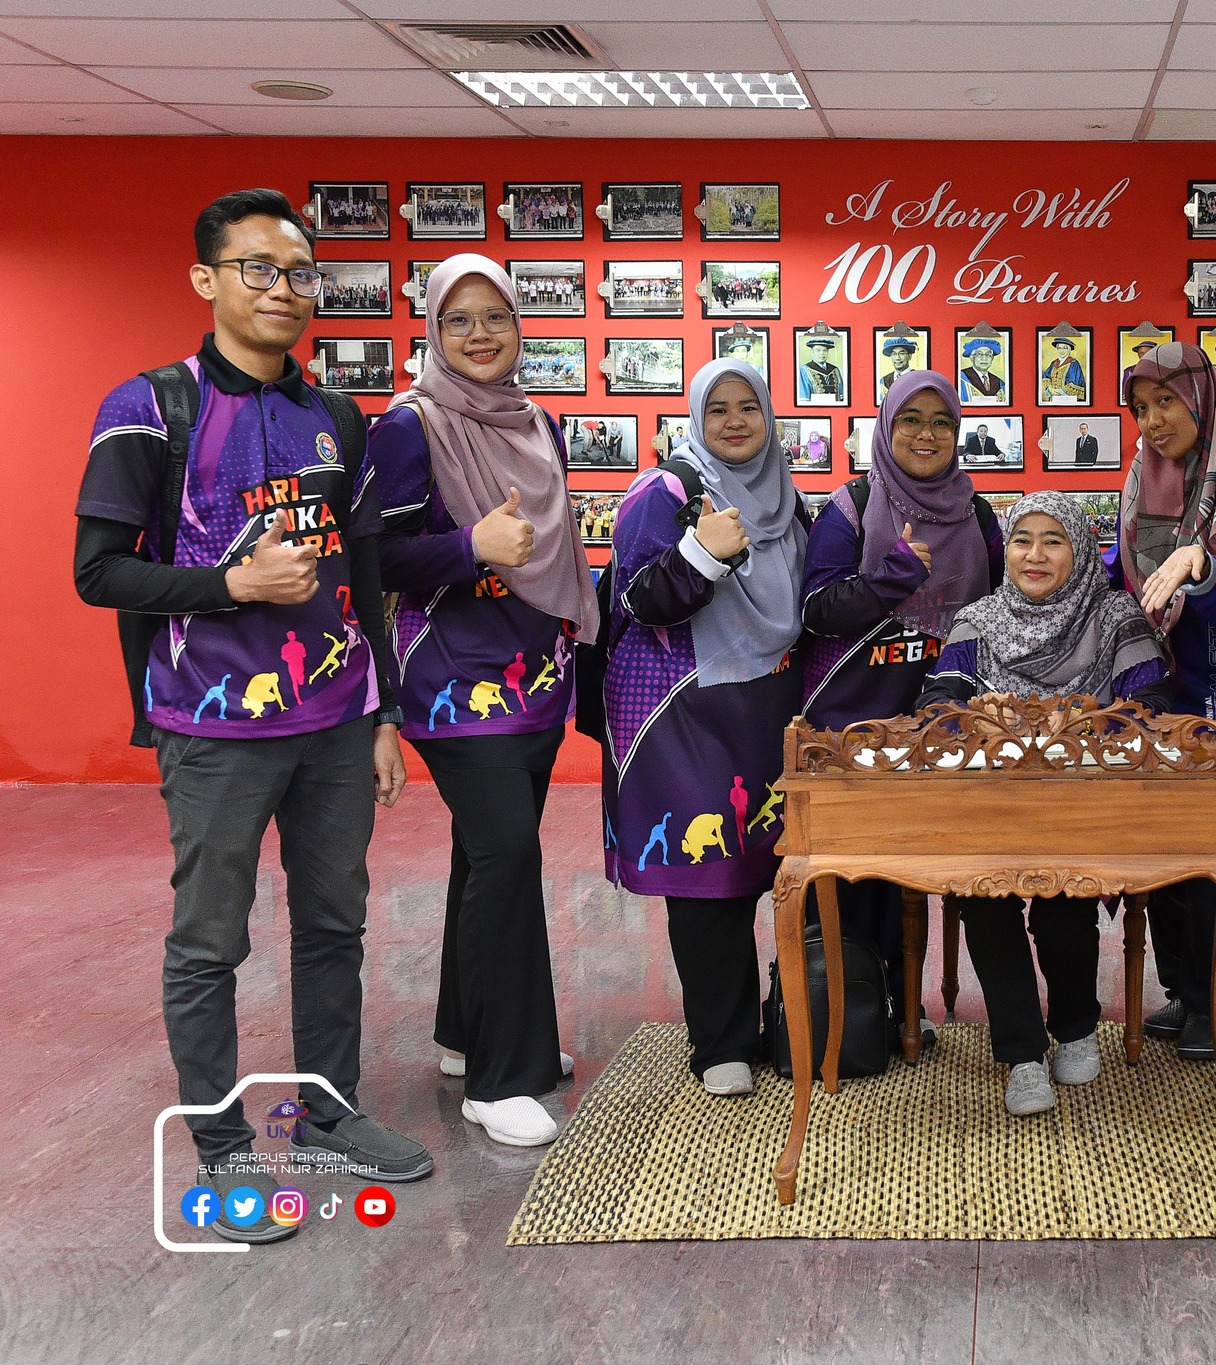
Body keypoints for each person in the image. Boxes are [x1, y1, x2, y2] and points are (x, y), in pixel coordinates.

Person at [72, 188, 429, 1245]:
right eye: (258, 269)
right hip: (212, 725)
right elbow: (99, 572)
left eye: (300, 272)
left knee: (334, 925)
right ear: (208, 280)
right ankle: (224, 1150)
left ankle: (327, 1112)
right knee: (209, 942)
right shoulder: (151, 407)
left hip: (335, 721)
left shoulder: (339, 418)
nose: (283, 289)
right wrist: (232, 587)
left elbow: (366, 575)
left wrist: (382, 710)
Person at [369, 255, 597, 1148]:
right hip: (455, 679)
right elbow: (375, 556)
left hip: (532, 672)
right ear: (433, 330)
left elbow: (551, 546)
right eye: (458, 319)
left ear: (518, 327)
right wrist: (470, 545)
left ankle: (468, 1034)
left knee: (484, 853)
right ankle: (502, 1077)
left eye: (495, 316)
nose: (479, 334)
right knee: (507, 853)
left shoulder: (539, 422)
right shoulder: (409, 425)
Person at [918, 491, 1171, 1115]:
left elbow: (1151, 707)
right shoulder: (978, 620)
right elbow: (935, 706)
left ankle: (1077, 1025)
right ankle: (1023, 1053)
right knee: (984, 900)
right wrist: (978, 717)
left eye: (1053, 540)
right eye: (1022, 540)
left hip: (1086, 806)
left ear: (1080, 550)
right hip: (991, 807)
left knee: (1064, 906)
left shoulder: (1114, 616)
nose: (1035, 555)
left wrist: (1083, 723)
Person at [601, 358, 809, 1097]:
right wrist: (701, 552)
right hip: (682, 706)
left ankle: (785, 1017)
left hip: (770, 702)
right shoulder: (662, 492)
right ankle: (721, 1041)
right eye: (716, 408)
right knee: (707, 874)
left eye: (748, 406)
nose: (734, 421)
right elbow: (637, 598)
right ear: (695, 417)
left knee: (769, 863)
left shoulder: (787, 496)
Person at [800, 372, 1003, 1044]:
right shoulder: (852, 507)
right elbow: (818, 611)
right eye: (910, 419)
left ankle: (908, 1007)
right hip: (855, 723)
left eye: (941, 421)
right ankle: (854, 1017)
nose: (926, 434)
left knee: (939, 873)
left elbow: (1001, 613)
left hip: (947, 726)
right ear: (886, 429)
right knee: (858, 879)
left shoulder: (977, 515)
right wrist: (891, 576)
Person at [1114, 342, 1216, 1061]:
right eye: (1142, 407)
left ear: (1203, 402)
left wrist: (1203, 566)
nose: (1153, 420)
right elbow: (1128, 582)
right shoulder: (1139, 481)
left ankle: (1214, 1003)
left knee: (1215, 858)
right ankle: (1181, 989)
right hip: (1160, 689)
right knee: (1164, 853)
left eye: (1167, 402)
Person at [798, 335, 845, 404]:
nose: (822, 353)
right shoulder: (804, 370)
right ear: (812, 352)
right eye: (818, 350)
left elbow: (842, 395)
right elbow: (804, 397)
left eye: (825, 350)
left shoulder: (835, 370)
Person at [959, 337, 1006, 403]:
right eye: (979, 354)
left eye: (988, 355)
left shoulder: (1000, 383)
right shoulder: (961, 378)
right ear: (972, 357)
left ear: (992, 358)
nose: (984, 358)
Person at [1040, 336, 1085, 403]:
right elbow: (1046, 376)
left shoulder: (1074, 364)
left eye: (1064, 348)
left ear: (1069, 350)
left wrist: (1061, 391)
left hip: (1067, 400)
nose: (1061, 351)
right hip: (1053, 398)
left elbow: (1076, 382)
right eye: (1059, 348)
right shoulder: (1054, 363)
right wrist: (1049, 388)